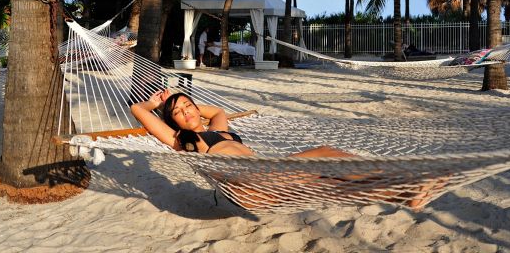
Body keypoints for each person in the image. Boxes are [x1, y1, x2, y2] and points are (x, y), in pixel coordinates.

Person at [130, 91, 445, 210]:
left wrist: (187, 102)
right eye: (179, 114)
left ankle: (405, 194)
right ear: (174, 123)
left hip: (266, 180)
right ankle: (406, 179)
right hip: (249, 185)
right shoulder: (184, 142)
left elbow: (214, 111)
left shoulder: (221, 127)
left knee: (331, 181)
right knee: (324, 160)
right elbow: (137, 111)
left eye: (188, 106)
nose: (186, 113)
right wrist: (158, 103)